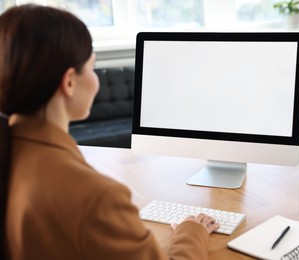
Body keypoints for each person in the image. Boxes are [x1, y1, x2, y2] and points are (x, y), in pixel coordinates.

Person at [0, 4, 219, 260]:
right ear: (69, 82)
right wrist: (191, 231)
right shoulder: (96, 197)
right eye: (92, 68)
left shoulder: (11, 152)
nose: (96, 80)